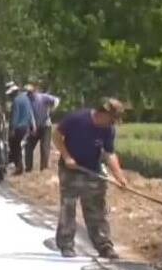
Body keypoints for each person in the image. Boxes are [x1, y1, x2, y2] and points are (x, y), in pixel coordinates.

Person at [52, 98, 130, 259]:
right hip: (70, 170)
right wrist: (67, 157)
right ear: (103, 113)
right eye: (112, 119)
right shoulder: (77, 119)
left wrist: (119, 176)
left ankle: (104, 246)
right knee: (68, 207)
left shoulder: (108, 130)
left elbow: (109, 153)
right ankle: (66, 245)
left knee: (96, 209)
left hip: (92, 170)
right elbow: (56, 135)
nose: (113, 123)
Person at [24, 84, 61, 172]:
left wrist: (52, 109)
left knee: (44, 147)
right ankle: (28, 167)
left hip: (45, 126)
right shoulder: (26, 101)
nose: (29, 94)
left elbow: (56, 100)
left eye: (31, 92)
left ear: (35, 91)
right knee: (28, 146)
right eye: (28, 93)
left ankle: (44, 168)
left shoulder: (43, 97)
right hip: (33, 127)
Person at [6, 81, 36, 176]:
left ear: (14, 93)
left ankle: (18, 167)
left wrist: (12, 130)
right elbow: (30, 113)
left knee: (15, 147)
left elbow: (15, 116)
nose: (10, 97)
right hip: (26, 127)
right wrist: (32, 125)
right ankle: (17, 166)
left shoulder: (16, 101)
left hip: (18, 127)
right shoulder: (26, 99)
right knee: (18, 146)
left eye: (10, 94)